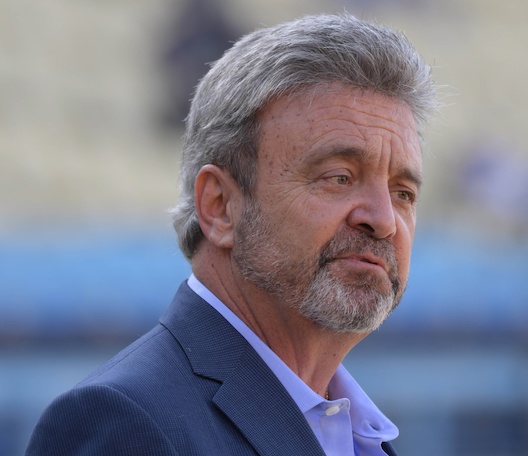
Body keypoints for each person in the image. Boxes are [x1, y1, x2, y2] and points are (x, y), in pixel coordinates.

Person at [26, 13, 437, 456]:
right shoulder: (126, 421)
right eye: (339, 177)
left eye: (403, 193)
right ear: (219, 207)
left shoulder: (361, 436)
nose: (384, 219)